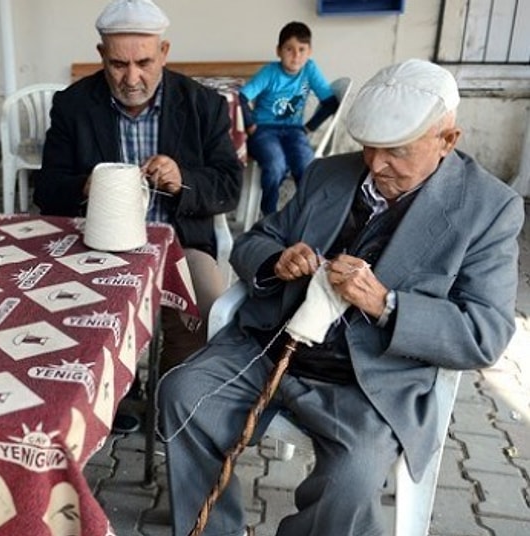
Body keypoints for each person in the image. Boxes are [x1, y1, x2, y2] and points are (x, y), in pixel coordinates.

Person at [158, 59, 524, 536]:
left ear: (447, 140)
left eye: (396, 151)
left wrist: (385, 304)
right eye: (370, 147)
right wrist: (277, 261)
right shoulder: (329, 173)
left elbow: (485, 333)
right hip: (271, 348)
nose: (375, 164)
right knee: (182, 393)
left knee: (352, 477)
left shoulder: (488, 209)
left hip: (369, 379)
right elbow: (253, 242)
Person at [34, 0, 243, 374]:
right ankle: (108, 401)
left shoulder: (202, 105)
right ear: (101, 55)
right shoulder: (73, 105)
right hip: (97, 244)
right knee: (69, 325)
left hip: (181, 243)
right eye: (118, 64)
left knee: (208, 317)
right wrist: (90, 186)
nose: (132, 79)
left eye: (144, 63)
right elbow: (47, 189)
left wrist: (184, 180)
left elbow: (230, 185)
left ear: (163, 52)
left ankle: (168, 401)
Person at [239, 21, 337, 215]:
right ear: (278, 51)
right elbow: (240, 98)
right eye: (289, 49)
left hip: (294, 131)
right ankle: (269, 215)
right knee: (276, 165)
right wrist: (251, 126)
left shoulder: (310, 69)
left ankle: (306, 214)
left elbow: (331, 102)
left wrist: (309, 127)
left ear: (309, 52)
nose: (296, 55)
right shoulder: (270, 72)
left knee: (306, 165)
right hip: (264, 130)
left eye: (302, 49)